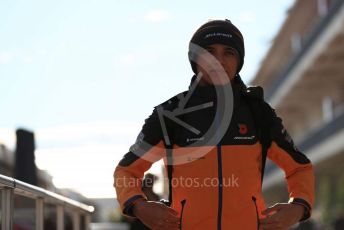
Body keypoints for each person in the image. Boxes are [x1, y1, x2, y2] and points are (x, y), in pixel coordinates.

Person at [114, 19, 315, 230]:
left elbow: (300, 168)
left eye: (229, 52)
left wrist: (299, 206)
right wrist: (139, 206)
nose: (218, 60)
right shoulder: (170, 114)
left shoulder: (259, 113)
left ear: (239, 61)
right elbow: (125, 172)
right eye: (209, 51)